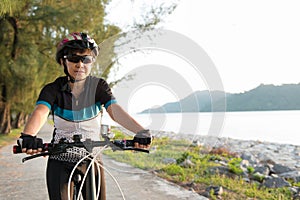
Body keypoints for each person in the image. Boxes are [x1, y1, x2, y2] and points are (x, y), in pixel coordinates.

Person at [17, 32, 152, 200]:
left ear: (92, 62)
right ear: (63, 61)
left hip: (91, 156)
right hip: (60, 157)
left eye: (86, 59)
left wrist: (141, 132)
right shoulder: (52, 89)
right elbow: (41, 112)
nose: (80, 64)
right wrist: (28, 136)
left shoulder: (99, 87)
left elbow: (115, 111)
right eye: (73, 58)